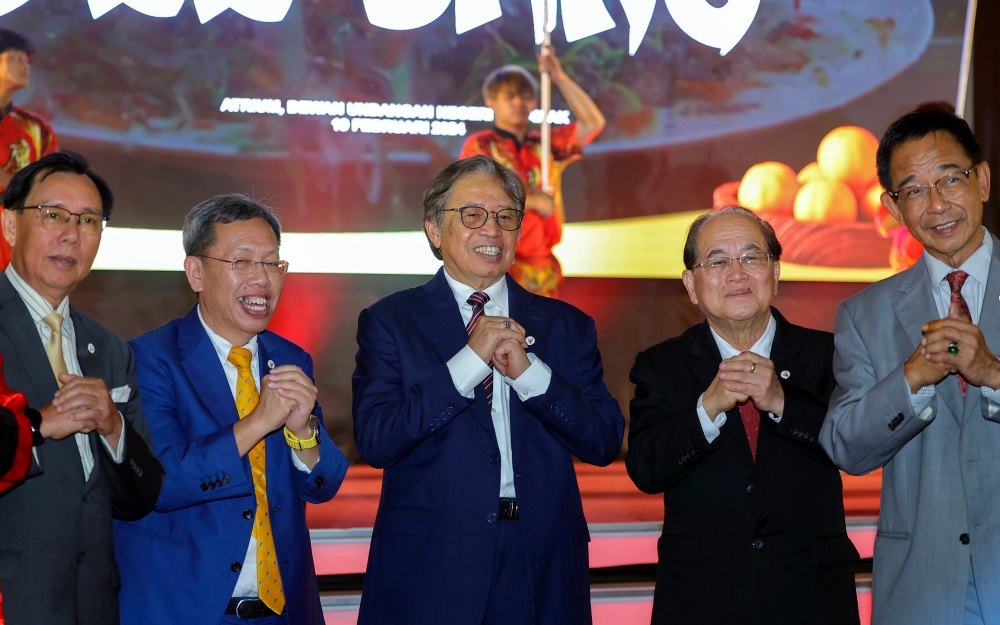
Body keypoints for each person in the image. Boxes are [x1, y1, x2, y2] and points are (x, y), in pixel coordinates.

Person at [353, 155, 624, 624]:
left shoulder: (567, 326)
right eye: (472, 215)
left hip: (539, 560)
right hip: (433, 563)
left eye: (506, 217)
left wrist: (531, 375)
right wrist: (468, 362)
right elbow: (378, 439)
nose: (492, 230)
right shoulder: (390, 321)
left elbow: (602, 441)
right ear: (435, 231)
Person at [115, 193, 349, 625]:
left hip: (281, 609)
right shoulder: (147, 360)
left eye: (272, 263)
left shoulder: (290, 357)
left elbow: (323, 484)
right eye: (242, 262)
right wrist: (259, 422)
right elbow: (160, 482)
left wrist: (302, 433)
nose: (261, 279)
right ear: (196, 272)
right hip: (185, 608)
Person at [627, 206, 860, 625]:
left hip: (811, 595)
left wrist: (783, 402)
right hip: (702, 598)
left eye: (752, 258)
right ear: (691, 285)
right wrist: (706, 408)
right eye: (717, 261)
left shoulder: (830, 355)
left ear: (775, 272)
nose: (737, 273)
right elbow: (646, 468)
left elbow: (855, 447)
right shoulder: (661, 366)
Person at [820, 110, 1000, 624]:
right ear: (892, 209)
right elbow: (845, 448)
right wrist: (911, 379)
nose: (937, 204)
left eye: (950, 178)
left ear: (982, 179)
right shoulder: (864, 314)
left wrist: (993, 374)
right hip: (922, 588)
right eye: (914, 190)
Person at [0, 150, 164, 625]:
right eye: (53, 214)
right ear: (10, 227)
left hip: (92, 605)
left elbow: (141, 497)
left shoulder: (109, 349)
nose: (71, 234)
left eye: (89, 221)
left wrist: (114, 429)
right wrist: (40, 424)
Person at [459, 46, 605, 297]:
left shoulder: (544, 143)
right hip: (496, 264)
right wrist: (533, 201)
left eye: (526, 96)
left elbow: (593, 123)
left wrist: (559, 77)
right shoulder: (481, 145)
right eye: (510, 95)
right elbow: (472, 197)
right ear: (491, 101)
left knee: (542, 335)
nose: (519, 102)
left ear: (535, 102)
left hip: (542, 268)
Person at [0, 29, 59, 269]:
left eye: (27, 61)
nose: (26, 66)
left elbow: (51, 185)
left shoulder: (37, 128)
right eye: (16, 58)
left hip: (17, 246)